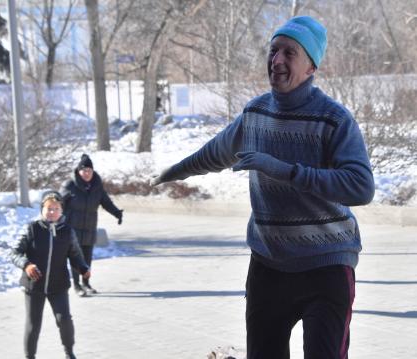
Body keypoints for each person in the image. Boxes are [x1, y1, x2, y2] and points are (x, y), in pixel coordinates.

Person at [151, 15, 375, 359]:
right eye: (273, 51)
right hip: (269, 266)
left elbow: (361, 187)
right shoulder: (255, 113)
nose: (277, 61)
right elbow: (215, 153)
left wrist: (286, 171)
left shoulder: (333, 119)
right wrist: (171, 173)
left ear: (311, 67)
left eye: (289, 53)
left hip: (327, 265)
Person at [11, 190, 90, 359]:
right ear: (42, 209)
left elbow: (75, 254)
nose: (52, 212)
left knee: (65, 320)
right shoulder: (32, 229)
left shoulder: (67, 231)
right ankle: (29, 357)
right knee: (33, 325)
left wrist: (83, 267)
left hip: (58, 285)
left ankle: (69, 353)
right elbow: (15, 253)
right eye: (48, 208)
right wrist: (26, 265)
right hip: (34, 286)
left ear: (61, 210)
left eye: (56, 208)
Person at [60, 154, 123, 297]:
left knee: (87, 259)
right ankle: (76, 286)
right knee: (76, 257)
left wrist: (117, 213)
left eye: (89, 170)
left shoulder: (97, 187)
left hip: (89, 228)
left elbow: (106, 203)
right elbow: (58, 203)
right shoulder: (70, 185)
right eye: (84, 170)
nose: (87, 173)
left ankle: (86, 283)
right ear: (79, 171)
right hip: (73, 229)